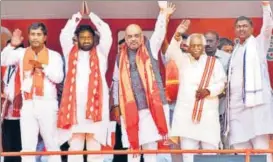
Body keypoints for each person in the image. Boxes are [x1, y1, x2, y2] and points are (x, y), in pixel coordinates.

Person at [111, 2, 175, 162]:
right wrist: (116, 106)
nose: (133, 39)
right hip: (129, 108)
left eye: (136, 36)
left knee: (150, 149)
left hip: (151, 107)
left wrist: (163, 13)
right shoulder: (120, 57)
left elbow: (159, 32)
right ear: (125, 38)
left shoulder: (150, 48)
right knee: (133, 149)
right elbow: (116, 83)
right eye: (129, 36)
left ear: (141, 37)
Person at [57, 1, 112, 162]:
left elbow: (107, 33)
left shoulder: (101, 54)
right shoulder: (69, 53)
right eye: (83, 37)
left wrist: (91, 15)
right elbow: (64, 34)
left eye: (89, 37)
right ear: (78, 39)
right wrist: (78, 16)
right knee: (75, 149)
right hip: (74, 111)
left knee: (95, 149)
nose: (86, 40)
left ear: (94, 39)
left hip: (96, 110)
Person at [1, 23, 63, 162]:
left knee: (52, 145)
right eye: (33, 34)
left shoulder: (54, 56)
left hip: (47, 104)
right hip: (28, 104)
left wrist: (43, 68)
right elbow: (3, 60)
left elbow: (59, 77)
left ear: (45, 37)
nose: (35, 37)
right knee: (28, 147)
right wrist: (12, 45)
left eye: (39, 34)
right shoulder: (22, 53)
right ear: (28, 36)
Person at [166, 20, 226, 162]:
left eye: (200, 45)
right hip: (187, 117)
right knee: (188, 155)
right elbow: (171, 52)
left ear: (204, 46)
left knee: (210, 154)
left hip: (208, 116)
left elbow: (222, 83)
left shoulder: (214, 62)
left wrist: (208, 91)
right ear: (188, 47)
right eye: (193, 46)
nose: (197, 48)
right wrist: (178, 34)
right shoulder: (183, 60)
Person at [225, 1, 273, 162]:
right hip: (237, 107)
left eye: (245, 26)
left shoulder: (259, 43)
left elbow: (267, 28)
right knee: (239, 148)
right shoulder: (235, 50)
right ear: (235, 30)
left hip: (256, 106)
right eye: (238, 26)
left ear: (252, 29)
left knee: (260, 148)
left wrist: (266, 6)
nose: (242, 29)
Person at [204, 31, 231, 149]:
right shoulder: (198, 56)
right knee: (208, 142)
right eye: (206, 41)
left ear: (217, 42)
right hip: (204, 107)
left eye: (211, 41)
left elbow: (230, 81)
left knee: (225, 140)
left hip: (222, 106)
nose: (208, 44)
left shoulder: (227, 58)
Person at [1, 39, 23, 162]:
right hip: (6, 112)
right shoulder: (5, 67)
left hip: (21, 112)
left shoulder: (24, 66)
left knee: (19, 145)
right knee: (8, 146)